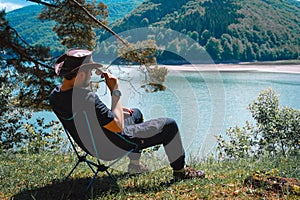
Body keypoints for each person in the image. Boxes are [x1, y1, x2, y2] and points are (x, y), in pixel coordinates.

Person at [49, 49, 205, 180]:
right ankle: (180, 171)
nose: (91, 76)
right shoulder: (87, 98)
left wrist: (116, 111)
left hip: (91, 144)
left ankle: (134, 166)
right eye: (90, 73)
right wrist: (115, 91)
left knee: (135, 113)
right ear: (81, 75)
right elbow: (116, 126)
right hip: (110, 147)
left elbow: (91, 117)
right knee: (169, 125)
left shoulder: (55, 96)